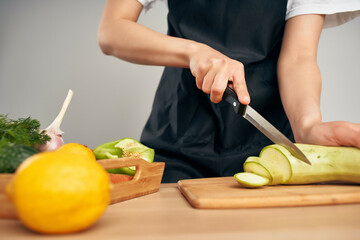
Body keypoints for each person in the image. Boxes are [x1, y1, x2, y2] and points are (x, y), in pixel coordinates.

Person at [98, 0, 360, 183]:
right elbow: (112, 30)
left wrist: (308, 126)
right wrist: (194, 52)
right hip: (177, 137)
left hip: (267, 149)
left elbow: (299, 57)